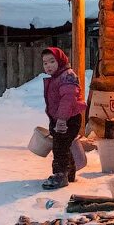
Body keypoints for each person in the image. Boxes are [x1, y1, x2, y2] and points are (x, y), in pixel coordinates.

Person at [41, 47, 85, 190]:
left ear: (60, 61)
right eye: (45, 63)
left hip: (68, 119)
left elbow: (68, 100)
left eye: (52, 61)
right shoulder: (57, 77)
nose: (48, 66)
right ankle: (69, 173)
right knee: (63, 145)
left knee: (59, 147)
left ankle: (60, 175)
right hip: (60, 118)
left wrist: (61, 120)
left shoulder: (67, 76)